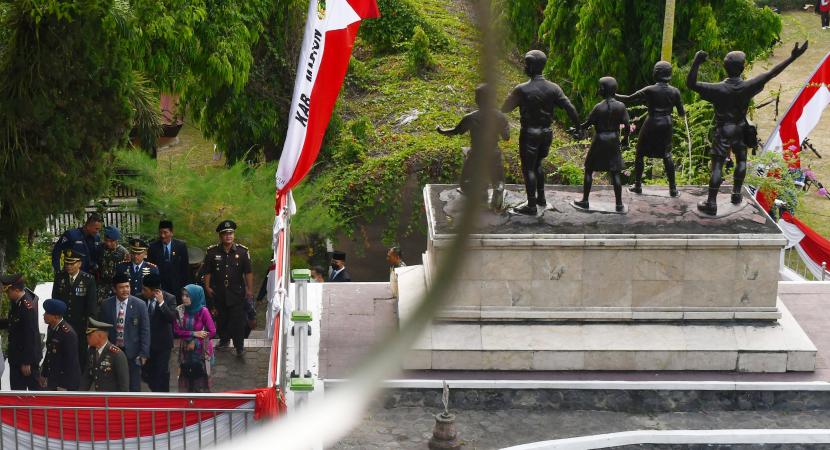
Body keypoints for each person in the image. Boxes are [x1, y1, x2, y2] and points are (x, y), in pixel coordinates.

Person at [687, 41, 808, 215]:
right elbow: (772, 73)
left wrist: (697, 62)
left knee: (717, 166)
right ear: (742, 69)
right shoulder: (747, 86)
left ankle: (711, 203)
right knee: (741, 160)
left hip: (724, 130)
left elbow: (691, 84)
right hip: (741, 128)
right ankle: (736, 195)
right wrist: (792, 57)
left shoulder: (718, 89)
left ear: (725, 67)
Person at [502, 50, 582, 215]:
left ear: (532, 65)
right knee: (538, 164)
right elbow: (570, 108)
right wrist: (579, 128)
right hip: (547, 133)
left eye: (526, 63)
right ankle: (541, 198)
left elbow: (505, 108)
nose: (524, 66)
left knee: (528, 168)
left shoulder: (522, 89)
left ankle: (531, 205)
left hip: (530, 133)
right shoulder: (554, 88)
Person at [616, 61, 685, 197]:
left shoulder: (650, 89)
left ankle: (637, 185)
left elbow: (629, 99)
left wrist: (613, 94)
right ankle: (673, 189)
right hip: (667, 123)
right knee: (667, 155)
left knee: (640, 153)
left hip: (652, 121)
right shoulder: (675, 91)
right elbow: (682, 113)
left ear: (657, 73)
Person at [436, 83, 510, 208]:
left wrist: (441, 130)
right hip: (494, 153)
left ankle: (480, 192)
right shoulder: (500, 117)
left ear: (478, 100)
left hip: (477, 154)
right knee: (498, 179)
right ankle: (498, 189)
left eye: (476, 96)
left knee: (465, 182)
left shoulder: (471, 117)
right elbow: (506, 137)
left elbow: (455, 131)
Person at [574, 77, 631, 212]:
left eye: (600, 87)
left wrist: (577, 127)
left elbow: (587, 124)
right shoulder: (621, 106)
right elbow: (627, 126)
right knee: (615, 172)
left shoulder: (598, 107)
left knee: (589, 169)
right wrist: (625, 139)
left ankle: (585, 200)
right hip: (613, 139)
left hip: (599, 139)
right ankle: (619, 204)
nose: (598, 89)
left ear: (605, 90)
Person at [203, 220, 254, 357]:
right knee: (222, 318)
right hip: (218, 291)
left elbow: (248, 272)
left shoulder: (243, 252)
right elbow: (207, 271)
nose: (228, 236)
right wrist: (207, 286)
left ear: (234, 235)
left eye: (230, 233)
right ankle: (224, 341)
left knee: (237, 321)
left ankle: (239, 346)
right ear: (220, 236)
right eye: (225, 234)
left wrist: (249, 289)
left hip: (236, 292)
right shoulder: (212, 252)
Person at [98, 272, 150, 392]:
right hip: (113, 350)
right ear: (114, 289)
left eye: (127, 286)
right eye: (121, 287)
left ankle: (133, 409)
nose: (125, 290)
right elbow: (102, 328)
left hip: (133, 352)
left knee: (134, 385)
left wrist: (144, 353)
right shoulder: (106, 304)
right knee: (113, 384)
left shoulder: (140, 305)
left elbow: (145, 330)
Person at [51, 249, 98, 368]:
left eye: (72, 263)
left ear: (79, 264)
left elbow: (91, 305)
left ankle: (79, 380)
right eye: (67, 263)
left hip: (80, 325)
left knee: (80, 353)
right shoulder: (59, 277)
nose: (68, 266)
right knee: (61, 352)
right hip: (63, 323)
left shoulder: (88, 279)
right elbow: (55, 300)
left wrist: (90, 327)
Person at [0, 273, 42, 390]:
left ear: (17, 290)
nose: (7, 295)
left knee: (34, 392)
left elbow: (30, 335)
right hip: (16, 357)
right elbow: (12, 322)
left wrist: (27, 361)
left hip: (25, 359)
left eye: (8, 292)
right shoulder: (16, 302)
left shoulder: (26, 307)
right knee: (17, 393)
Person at [174, 284, 216, 393]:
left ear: (195, 297)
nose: (184, 298)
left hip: (201, 352)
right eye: (183, 295)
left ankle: (202, 407)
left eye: (188, 296)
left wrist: (196, 342)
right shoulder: (179, 310)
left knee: (201, 383)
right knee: (186, 381)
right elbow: (177, 331)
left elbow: (212, 331)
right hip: (185, 352)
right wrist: (194, 333)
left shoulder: (203, 311)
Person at [140, 273, 178, 392]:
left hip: (162, 345)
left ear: (155, 291)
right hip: (146, 344)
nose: (142, 291)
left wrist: (161, 303)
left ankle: (163, 399)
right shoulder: (139, 299)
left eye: (145, 290)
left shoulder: (169, 298)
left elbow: (172, 318)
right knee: (147, 375)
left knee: (161, 374)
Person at [39, 299, 81, 391]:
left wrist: (64, 385)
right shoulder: (51, 327)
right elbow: (49, 353)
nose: (44, 315)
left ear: (56, 316)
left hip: (64, 382)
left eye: (47, 313)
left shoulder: (67, 334)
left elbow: (71, 362)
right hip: (53, 377)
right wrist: (44, 374)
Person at [147, 220, 191, 304]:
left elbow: (185, 269)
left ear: (171, 233)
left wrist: (185, 289)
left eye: (165, 232)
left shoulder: (180, 246)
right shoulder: (153, 247)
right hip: (160, 288)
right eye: (160, 232)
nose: (163, 235)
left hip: (177, 288)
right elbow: (151, 269)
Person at [81, 318, 129, 392]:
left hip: (112, 400)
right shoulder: (91, 352)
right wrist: (80, 395)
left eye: (90, 335)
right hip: (98, 398)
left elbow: (123, 386)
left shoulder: (117, 355)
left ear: (100, 336)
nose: (87, 338)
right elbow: (87, 377)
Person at [96, 225, 129, 304]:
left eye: (111, 241)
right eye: (106, 240)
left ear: (116, 240)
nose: (108, 243)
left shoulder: (123, 252)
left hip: (116, 286)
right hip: (102, 285)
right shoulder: (100, 248)